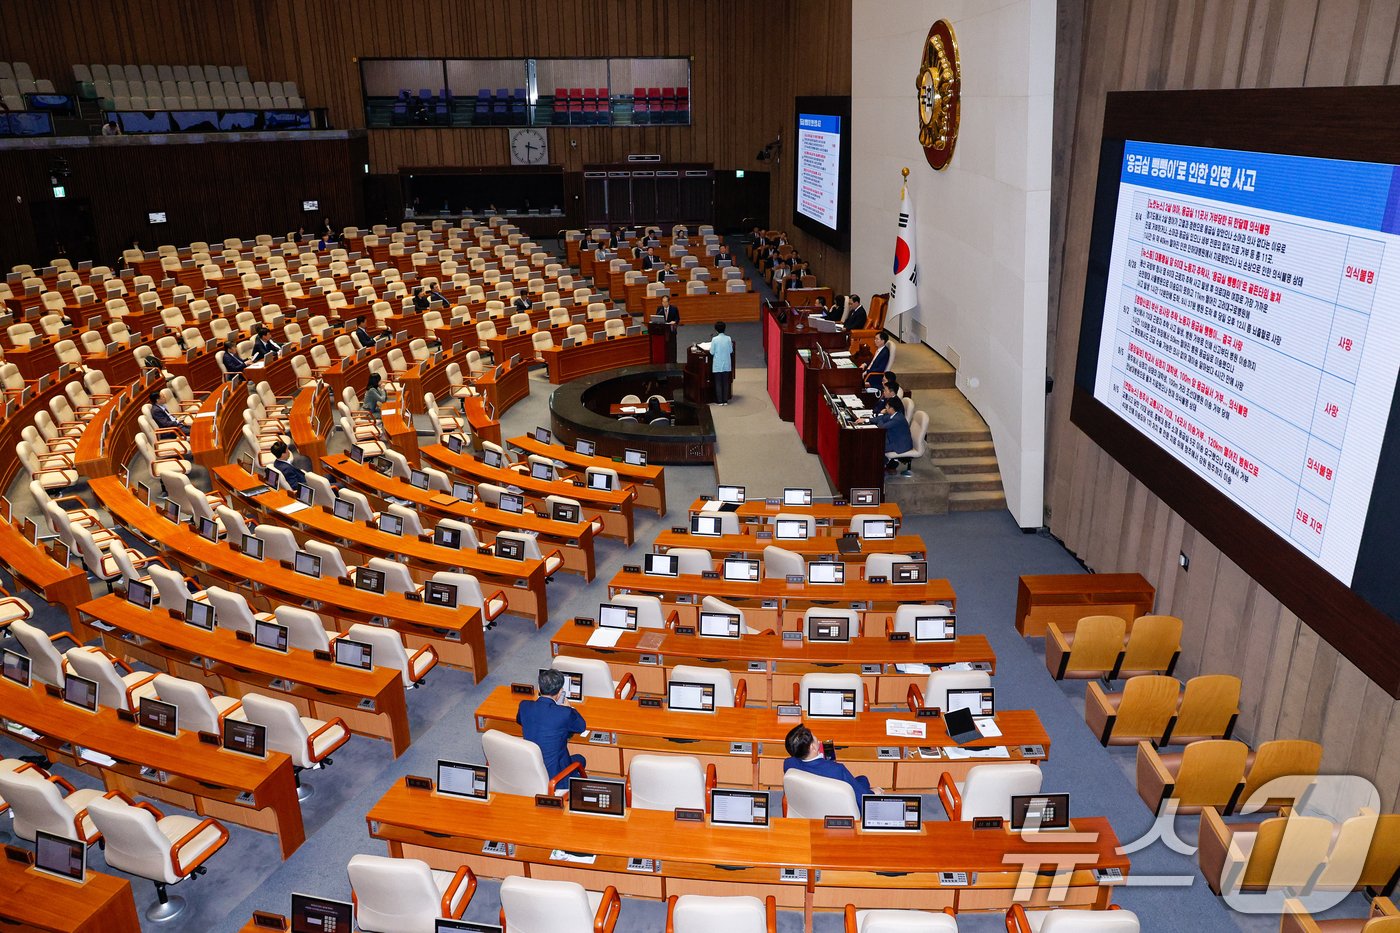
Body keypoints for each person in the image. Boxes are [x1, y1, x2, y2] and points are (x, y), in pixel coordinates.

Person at [517, 668, 587, 779]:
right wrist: (570, 708)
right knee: (580, 759)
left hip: (530, 769)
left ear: (539, 688)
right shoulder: (565, 713)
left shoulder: (524, 705)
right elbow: (581, 726)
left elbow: (520, 720)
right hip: (556, 776)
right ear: (560, 692)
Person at [783, 725, 876, 801]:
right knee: (863, 779)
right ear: (813, 747)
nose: (818, 740)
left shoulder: (789, 764)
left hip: (809, 803)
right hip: (837, 808)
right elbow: (861, 797)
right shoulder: (837, 770)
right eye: (815, 738)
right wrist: (873, 793)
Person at [876, 396, 915, 476]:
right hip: (895, 439)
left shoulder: (898, 419)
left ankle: (878, 470)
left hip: (901, 445)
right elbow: (882, 418)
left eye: (887, 406)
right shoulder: (894, 414)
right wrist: (867, 420)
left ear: (892, 408)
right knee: (877, 443)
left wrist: (880, 419)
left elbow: (882, 426)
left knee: (878, 447)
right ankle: (885, 465)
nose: (886, 407)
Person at [710, 320, 734, 406]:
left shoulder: (714, 339)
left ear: (716, 330)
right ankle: (725, 400)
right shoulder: (728, 338)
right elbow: (731, 350)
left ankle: (720, 401)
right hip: (726, 363)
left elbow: (712, 352)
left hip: (718, 364)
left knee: (718, 382)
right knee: (725, 382)